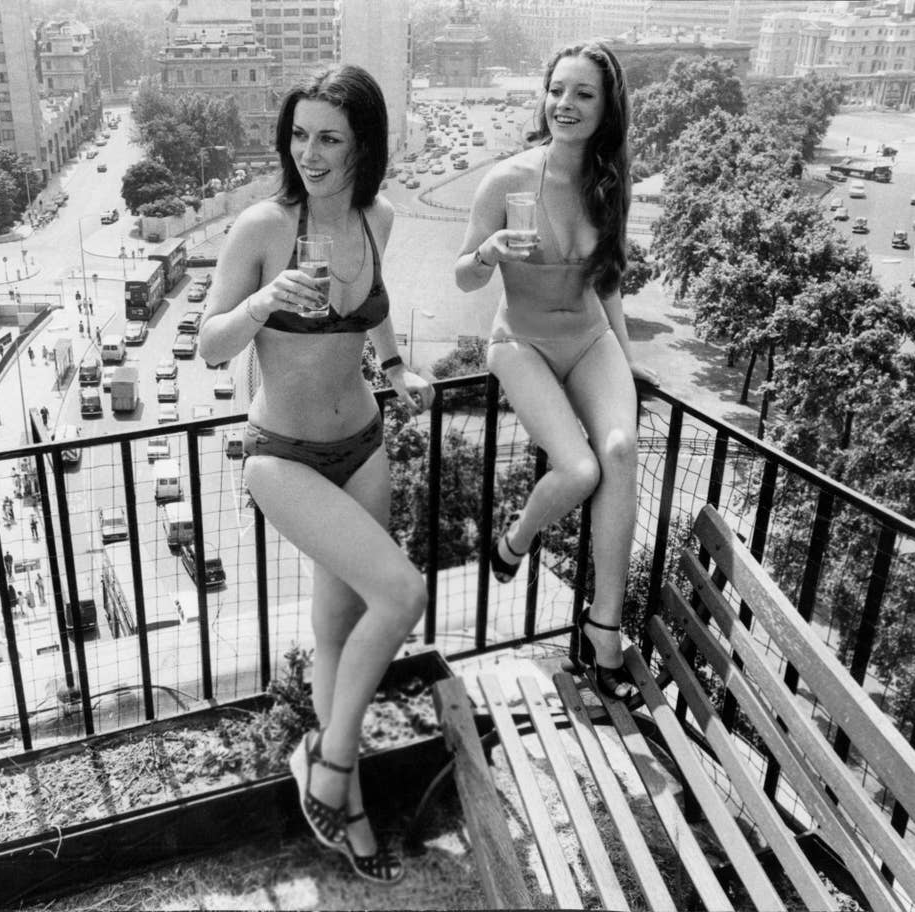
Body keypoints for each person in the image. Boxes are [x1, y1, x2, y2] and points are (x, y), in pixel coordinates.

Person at [198, 64, 433, 885]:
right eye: (299, 135)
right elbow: (210, 345)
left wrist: (396, 366)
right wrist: (263, 304)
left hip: (364, 444)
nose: (310, 153)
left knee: (338, 633)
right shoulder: (262, 227)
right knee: (402, 595)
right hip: (282, 457)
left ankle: (352, 807)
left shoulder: (379, 217)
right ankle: (326, 763)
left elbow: (375, 303)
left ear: (362, 144)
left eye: (329, 137)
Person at [454, 42, 658, 703]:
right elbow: (462, 277)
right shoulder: (503, 179)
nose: (565, 105)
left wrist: (624, 372)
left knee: (620, 451)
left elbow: (609, 286)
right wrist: (485, 251)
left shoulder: (608, 183)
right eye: (556, 90)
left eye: (583, 94)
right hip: (521, 342)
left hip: (589, 336)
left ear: (606, 109)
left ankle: (603, 632)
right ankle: (512, 542)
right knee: (578, 470)